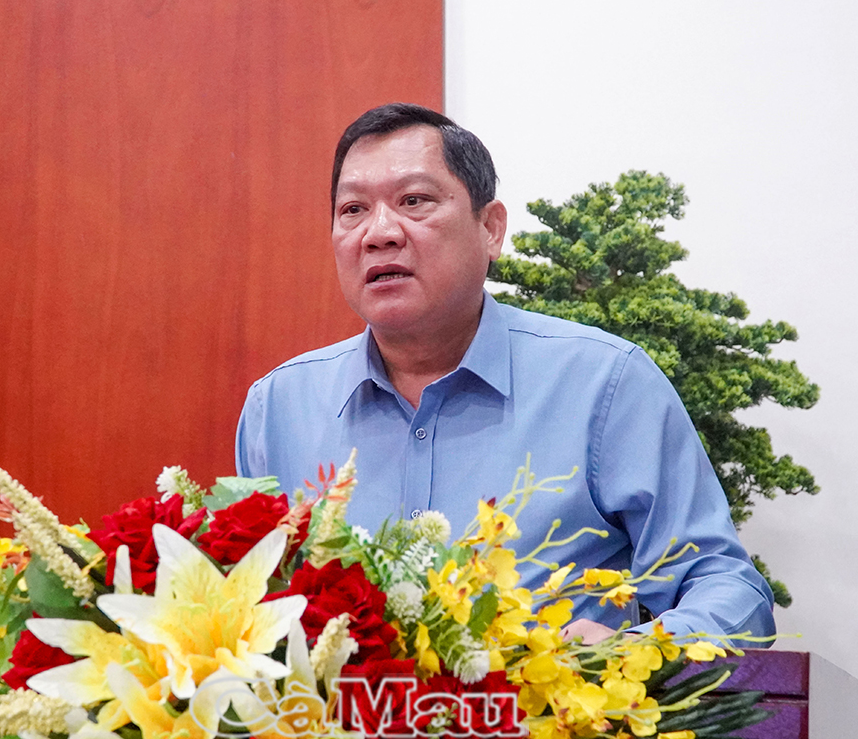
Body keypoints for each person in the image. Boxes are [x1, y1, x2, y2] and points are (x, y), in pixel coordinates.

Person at [236, 102, 775, 643]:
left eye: (414, 201)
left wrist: (630, 652)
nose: (379, 233)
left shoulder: (605, 385)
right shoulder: (278, 408)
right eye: (353, 209)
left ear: (491, 229)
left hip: (547, 699)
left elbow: (727, 587)